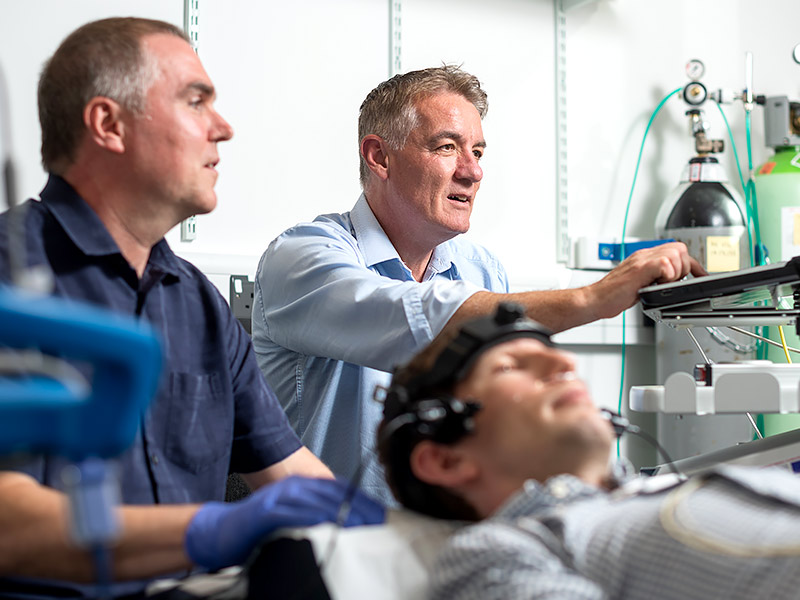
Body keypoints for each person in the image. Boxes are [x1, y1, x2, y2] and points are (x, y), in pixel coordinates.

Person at [0, 17, 383, 599]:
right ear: (109, 124)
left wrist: (404, 538)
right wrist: (213, 529)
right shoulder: (13, 280)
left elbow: (292, 474)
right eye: (195, 100)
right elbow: (11, 524)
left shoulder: (197, 302)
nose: (223, 128)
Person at [252, 65, 703, 502]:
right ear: (380, 156)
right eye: (447, 147)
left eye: (479, 152)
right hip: (329, 550)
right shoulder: (301, 257)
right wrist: (592, 298)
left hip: (453, 540)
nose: (473, 172)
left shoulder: (482, 271)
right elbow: (409, 316)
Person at [377, 303, 800, 600]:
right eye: (508, 366)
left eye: (554, 353)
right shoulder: (504, 553)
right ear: (446, 460)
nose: (565, 364)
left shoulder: (666, 490)